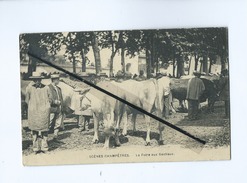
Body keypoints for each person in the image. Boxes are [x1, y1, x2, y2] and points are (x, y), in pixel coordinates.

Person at [25, 72, 51, 152]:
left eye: (39, 80)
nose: (37, 81)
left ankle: (44, 147)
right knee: (34, 130)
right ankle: (35, 147)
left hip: (44, 112)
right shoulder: (29, 88)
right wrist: (32, 107)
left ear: (41, 80)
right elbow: (27, 100)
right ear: (33, 80)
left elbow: (50, 98)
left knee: (44, 130)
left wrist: (47, 106)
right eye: (35, 80)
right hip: (34, 112)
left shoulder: (46, 88)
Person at [48, 74, 64, 140]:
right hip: (52, 108)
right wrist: (54, 102)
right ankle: (44, 137)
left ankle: (55, 136)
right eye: (58, 79)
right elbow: (47, 99)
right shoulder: (48, 88)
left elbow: (61, 99)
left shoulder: (59, 88)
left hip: (59, 108)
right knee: (49, 122)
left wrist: (62, 107)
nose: (59, 81)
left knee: (58, 123)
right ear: (54, 80)